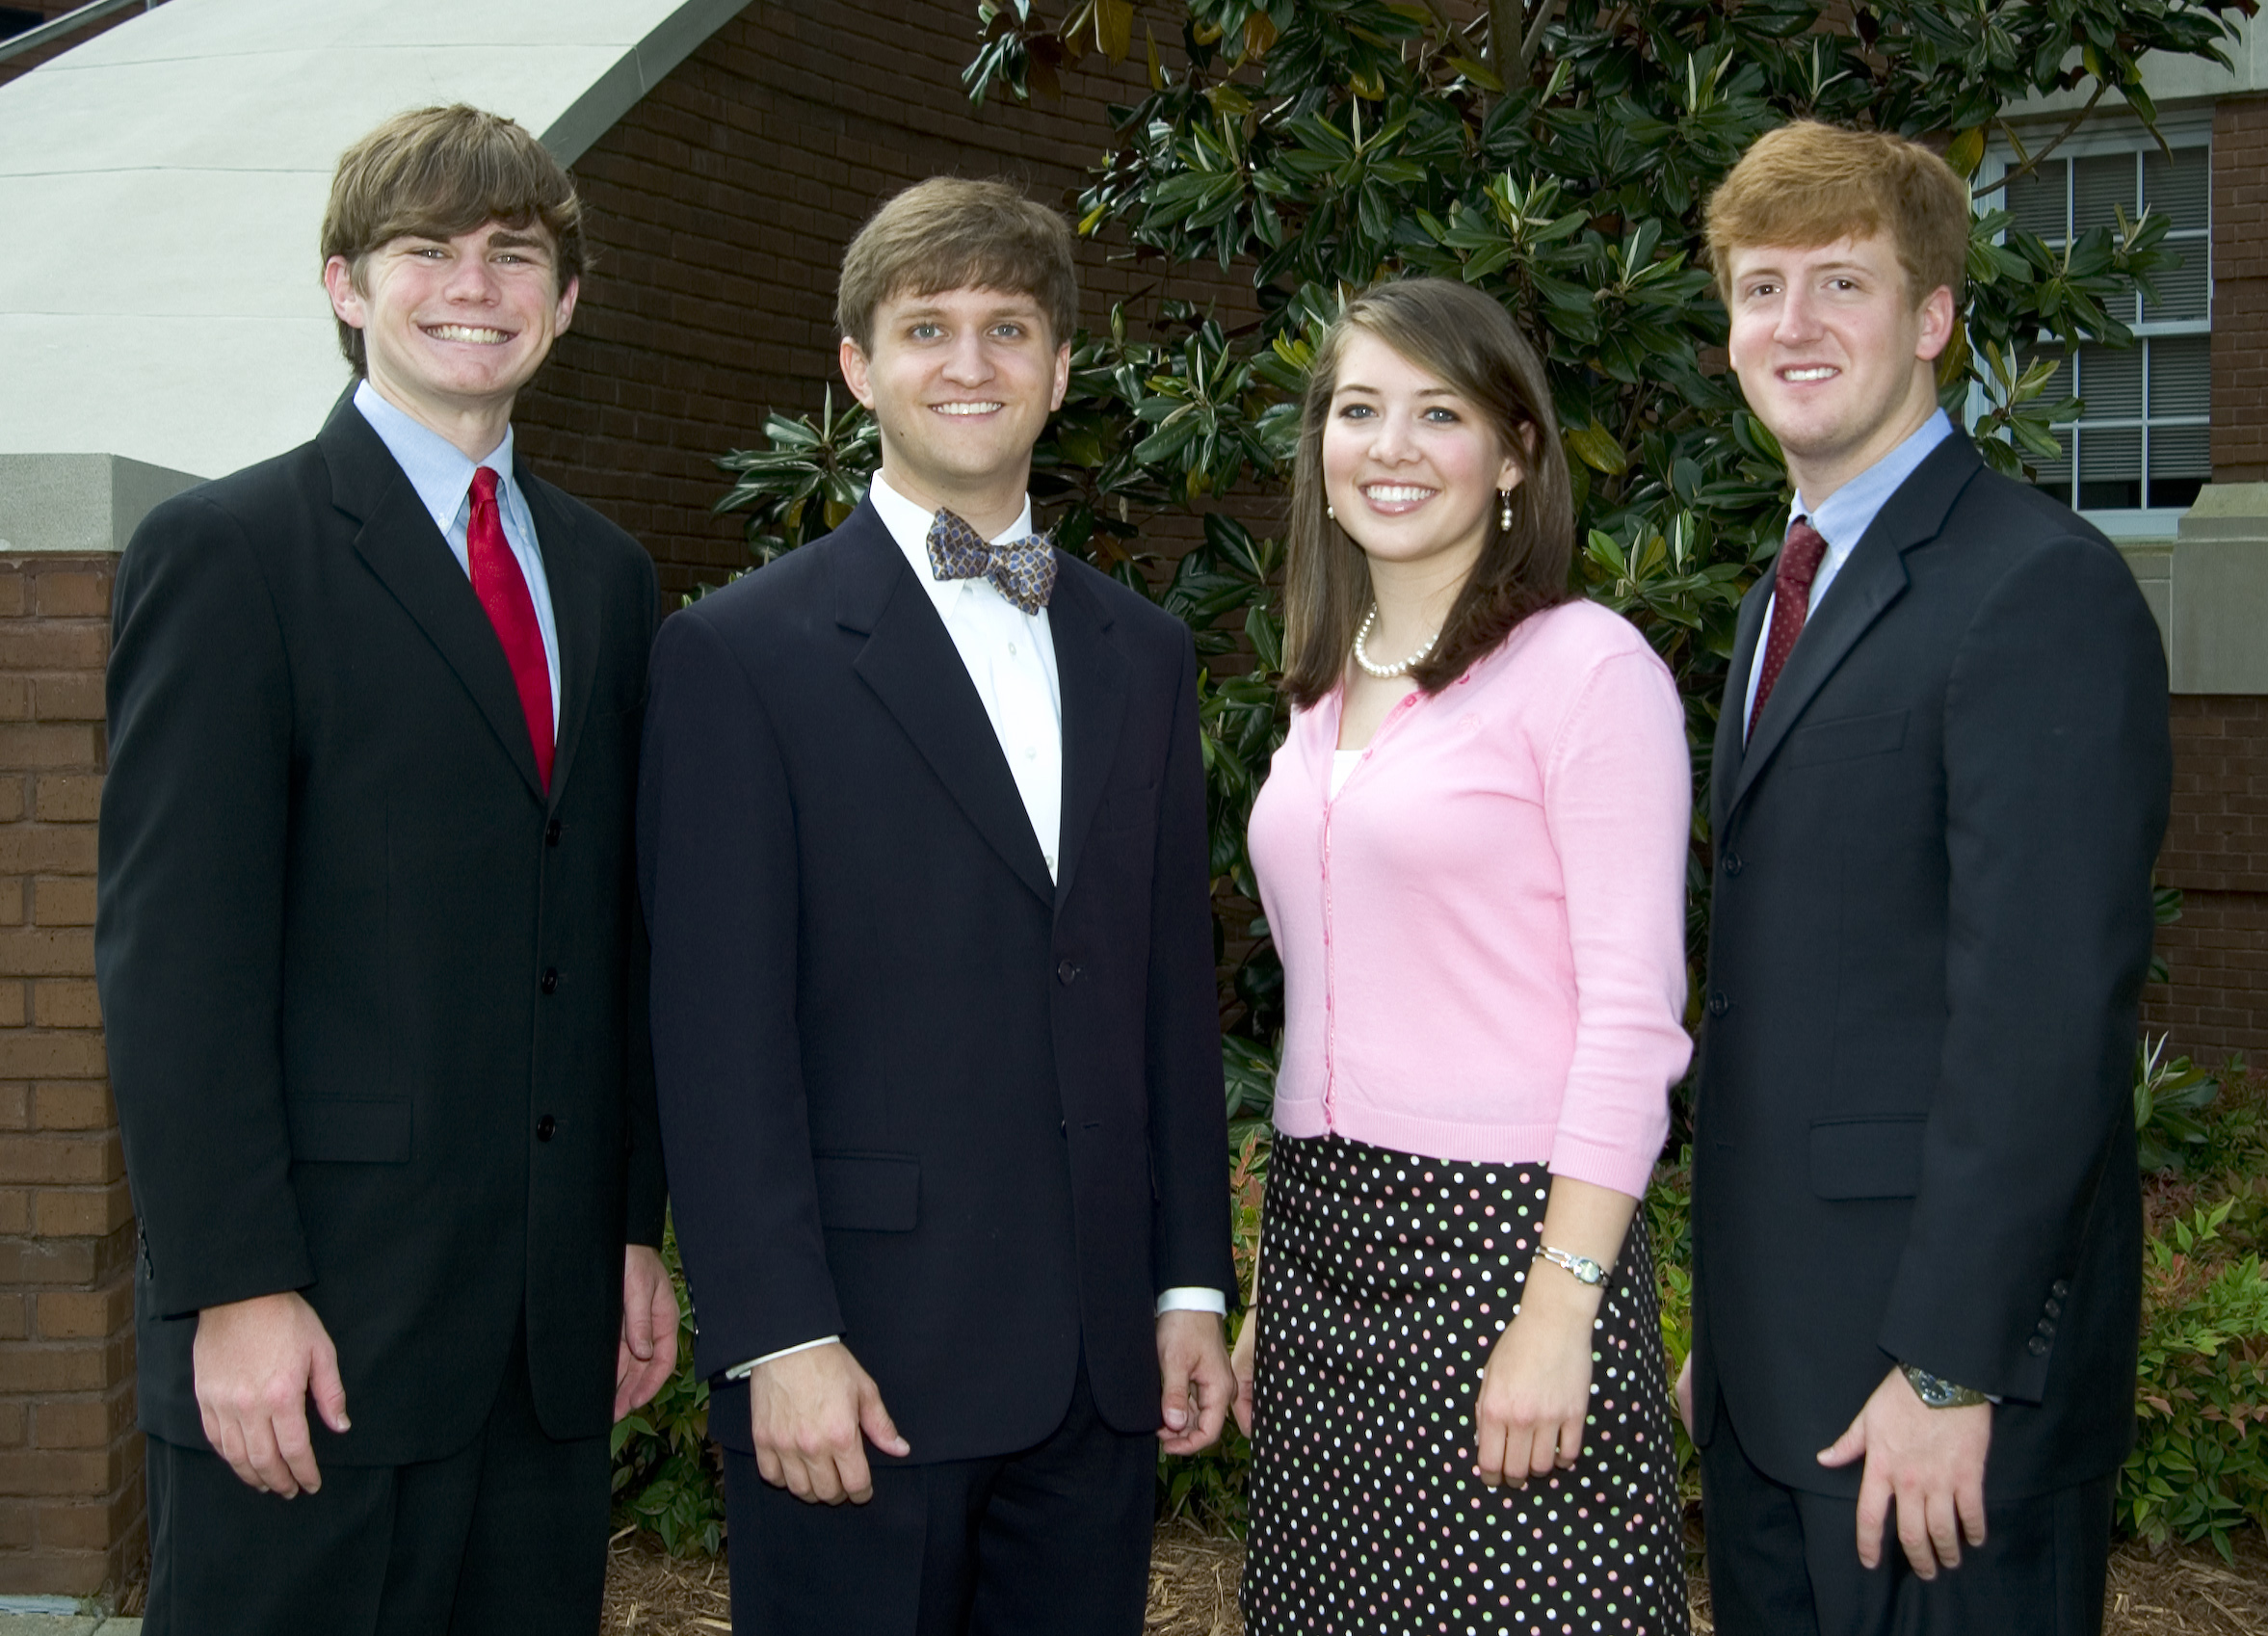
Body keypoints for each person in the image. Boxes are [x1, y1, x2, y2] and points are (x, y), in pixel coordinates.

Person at [95, 105, 676, 1635]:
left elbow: (607, 932)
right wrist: (233, 1286)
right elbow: (176, 962)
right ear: (347, 285)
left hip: (539, 1344)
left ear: (568, 297)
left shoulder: (611, 581)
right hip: (312, 1331)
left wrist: (625, 1225)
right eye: (427, 250)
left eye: (514, 254)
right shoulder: (229, 553)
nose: (470, 285)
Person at [639, 175, 1235, 1636]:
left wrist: (1185, 1283)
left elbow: (1161, 986)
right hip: (861, 1356)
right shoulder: (737, 654)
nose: (968, 362)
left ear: (1060, 368)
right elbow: (716, 1030)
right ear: (856, 368)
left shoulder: (1142, 653)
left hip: (1098, 1364)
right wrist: (778, 1331)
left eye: (1007, 327)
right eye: (925, 328)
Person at [1680, 119, 2172, 1635]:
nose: (1794, 326)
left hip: (1937, 1408)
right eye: (1761, 290)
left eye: (1842, 282)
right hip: (1777, 1390)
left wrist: (1954, 1366)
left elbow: (2041, 1022)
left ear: (1933, 316)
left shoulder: (2037, 588)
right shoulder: (1783, 598)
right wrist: (1735, 1323)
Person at [1230, 277, 1696, 1634]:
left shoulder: (1584, 669)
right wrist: (1274, 1288)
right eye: (1357, 409)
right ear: (1317, 454)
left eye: (1437, 411)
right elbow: (1330, 1007)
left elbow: (1631, 1018)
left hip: (1509, 1248)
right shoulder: (1318, 687)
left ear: (1512, 455)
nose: (1389, 445)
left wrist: (1561, 1309)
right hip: (1325, 1255)